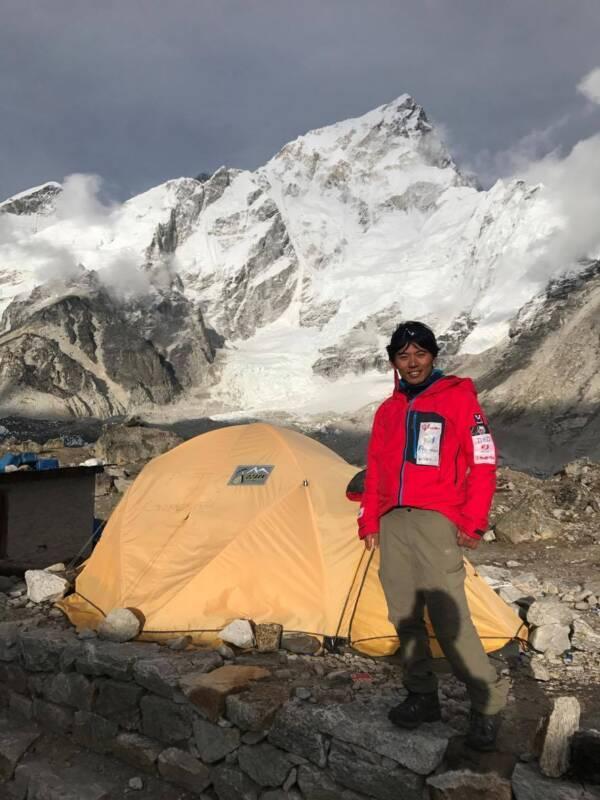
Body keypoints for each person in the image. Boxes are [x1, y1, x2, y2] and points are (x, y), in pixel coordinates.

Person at [358, 320, 508, 751]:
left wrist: (473, 520)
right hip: (392, 520)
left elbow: (483, 461)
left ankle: (488, 703)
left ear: (433, 356)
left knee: (448, 616)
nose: (412, 363)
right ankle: (422, 695)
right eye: (403, 356)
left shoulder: (458, 398)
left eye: (419, 354)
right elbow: (375, 468)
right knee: (403, 614)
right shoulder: (387, 411)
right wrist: (369, 520)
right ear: (393, 361)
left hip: (436, 519)